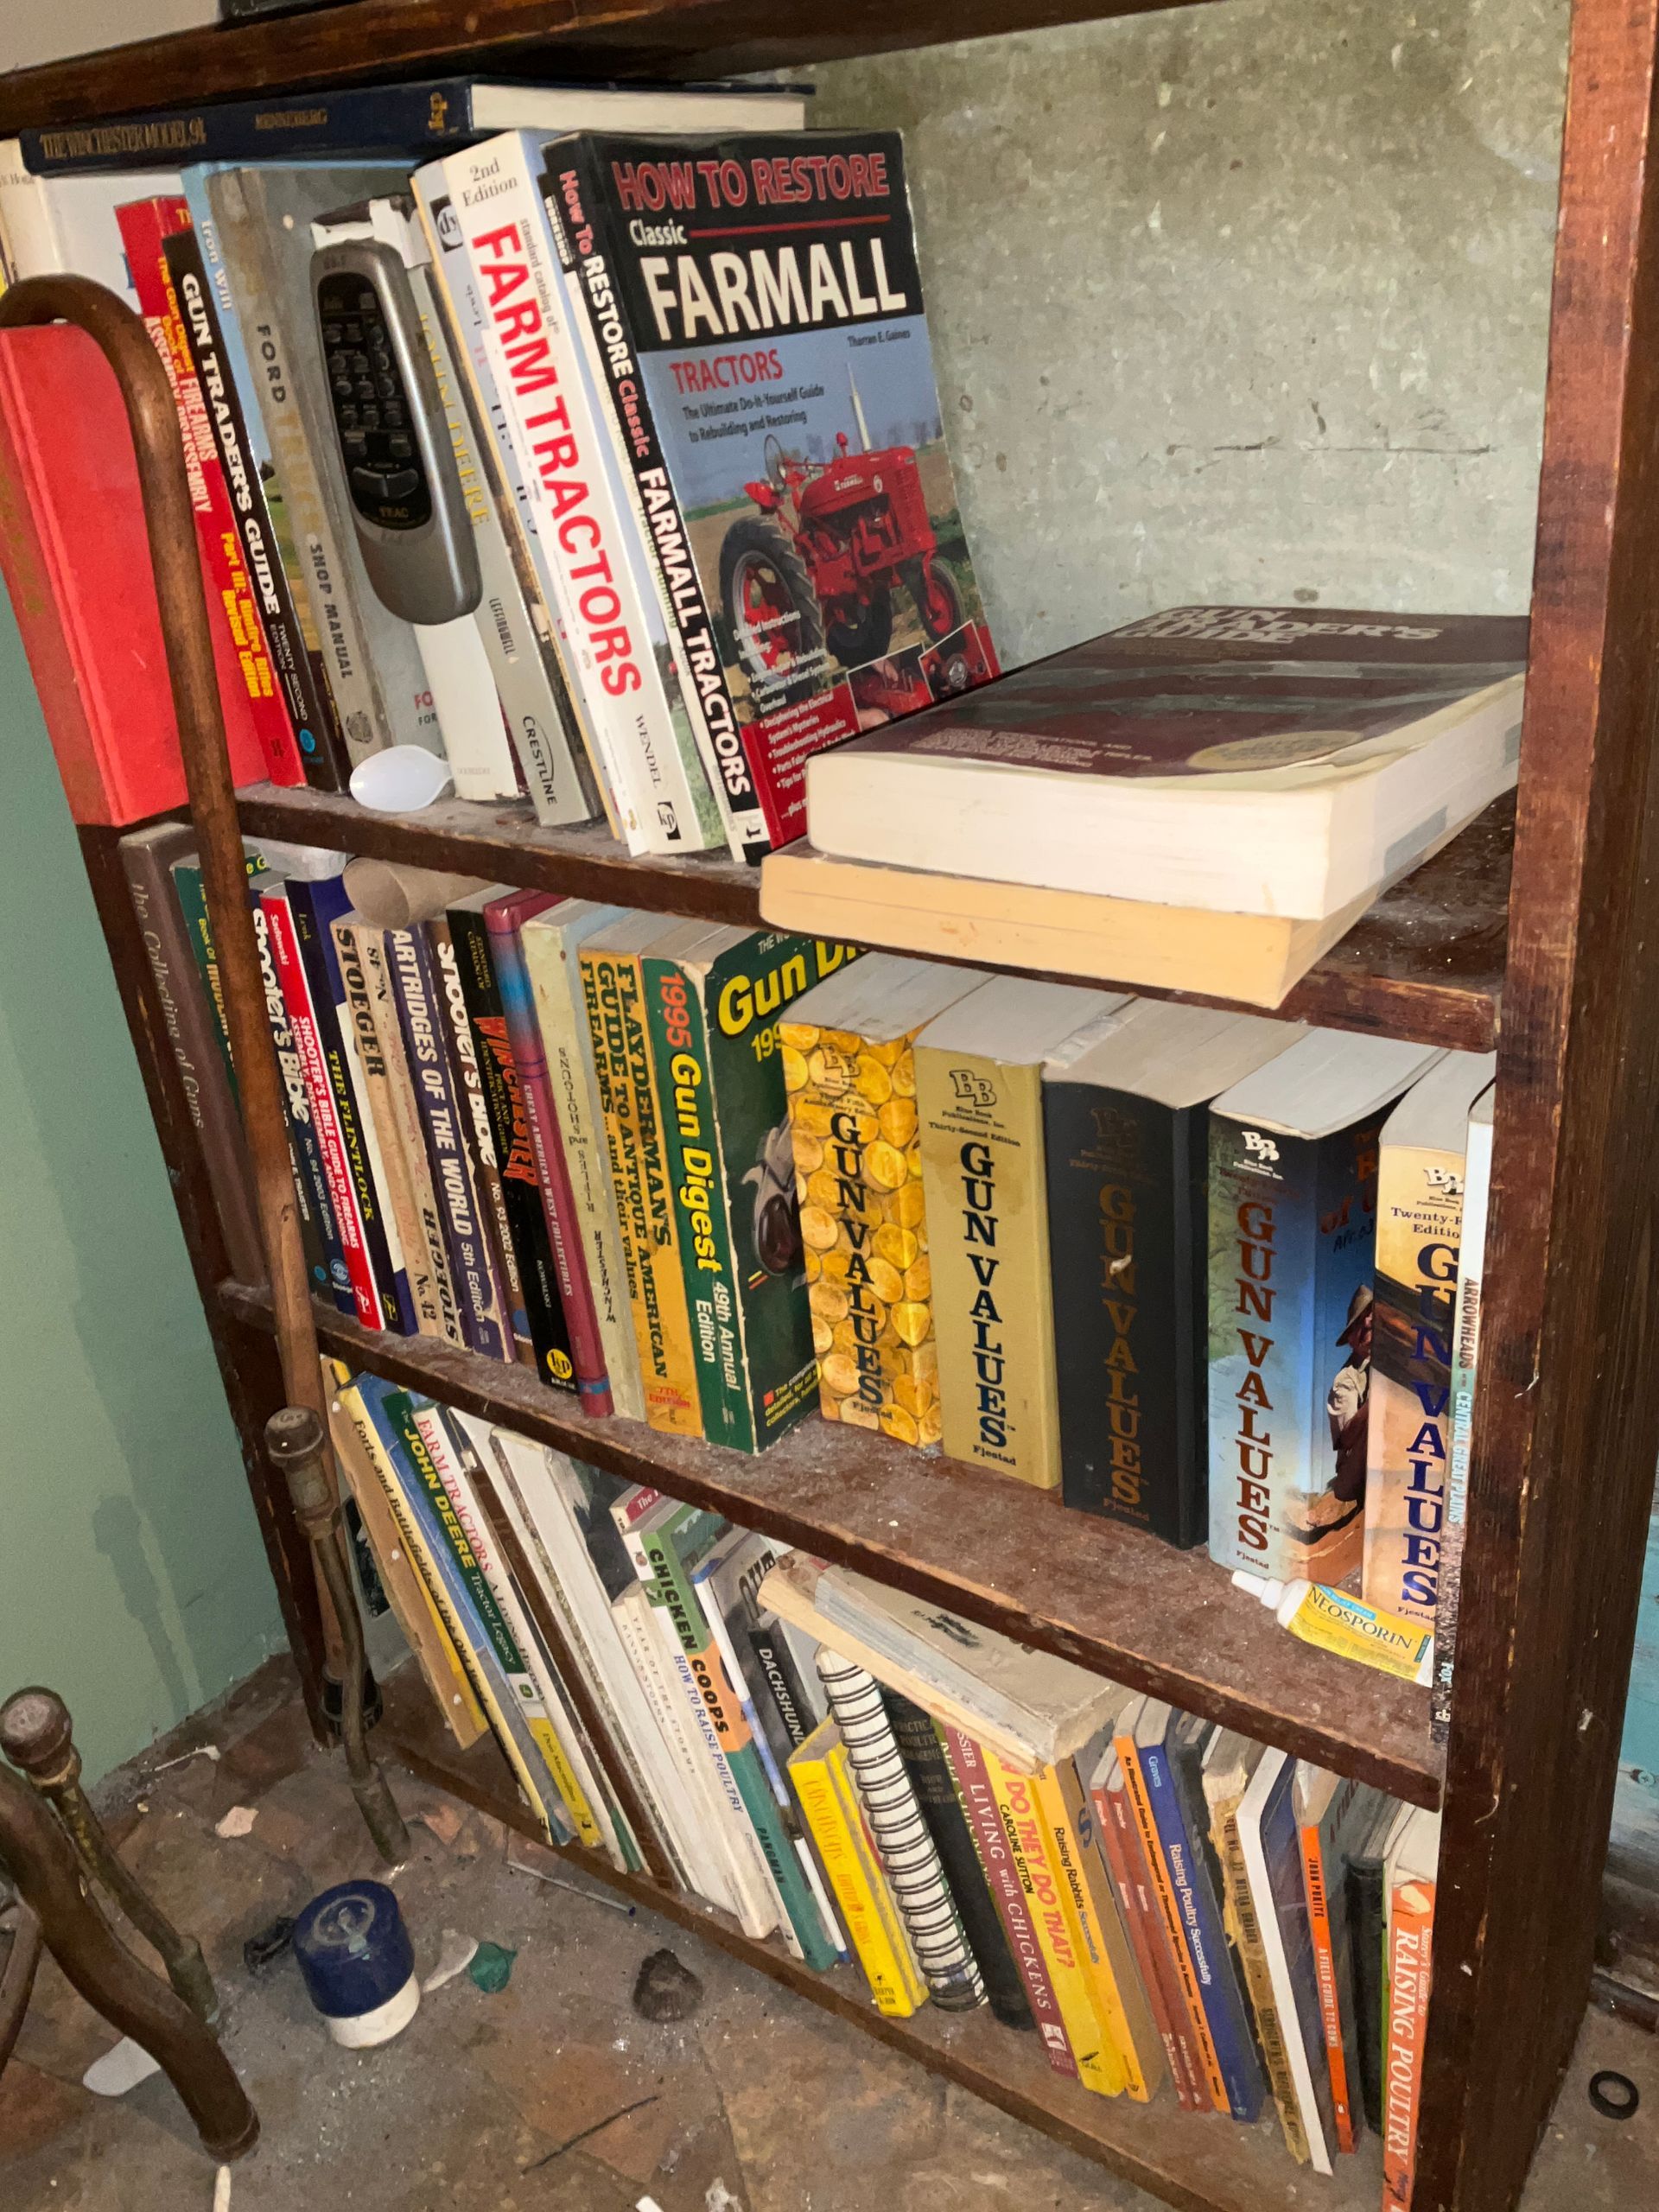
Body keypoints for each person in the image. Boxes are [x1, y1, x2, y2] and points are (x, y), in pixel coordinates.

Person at [1287, 1284, 1372, 1550]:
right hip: (1354, 1471)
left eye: (1372, 1314)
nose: (1369, 1322)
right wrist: (1377, 1401)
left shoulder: (1386, 1364)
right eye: (1360, 1322)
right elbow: (1347, 1438)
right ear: (1351, 1339)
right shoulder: (1345, 1380)